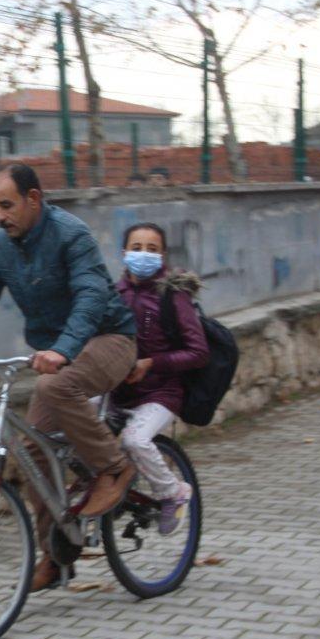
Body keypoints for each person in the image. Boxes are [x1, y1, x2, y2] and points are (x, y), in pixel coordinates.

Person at [0, 163, 138, 591]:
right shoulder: (1, 246)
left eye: (6, 205)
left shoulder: (70, 234)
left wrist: (63, 348)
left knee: (55, 385)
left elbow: (90, 296)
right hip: (54, 352)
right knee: (33, 450)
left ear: (33, 199)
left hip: (108, 338)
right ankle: (57, 555)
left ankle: (114, 469)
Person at [112, 222, 209, 535]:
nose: (143, 255)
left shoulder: (172, 295)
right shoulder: (115, 293)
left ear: (163, 256)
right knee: (72, 416)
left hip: (160, 393)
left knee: (134, 439)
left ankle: (174, 492)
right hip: (116, 390)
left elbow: (198, 352)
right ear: (123, 252)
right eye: (136, 248)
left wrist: (152, 363)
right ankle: (109, 487)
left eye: (152, 249)